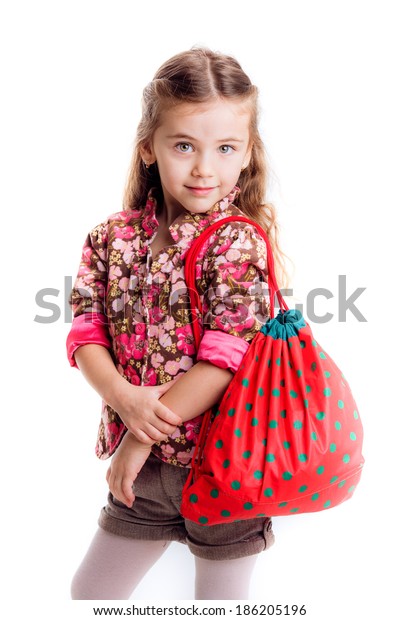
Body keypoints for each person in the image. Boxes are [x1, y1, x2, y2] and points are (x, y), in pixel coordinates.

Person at [67, 47, 288, 601]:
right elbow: (85, 334)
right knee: (92, 597)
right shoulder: (109, 239)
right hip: (139, 482)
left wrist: (139, 436)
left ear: (246, 155)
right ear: (149, 147)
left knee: (220, 606)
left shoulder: (235, 241)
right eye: (184, 145)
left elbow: (223, 360)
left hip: (224, 467)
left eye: (225, 148)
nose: (203, 168)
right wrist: (124, 398)